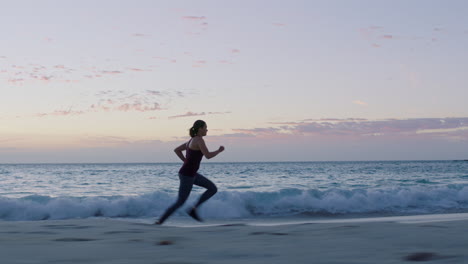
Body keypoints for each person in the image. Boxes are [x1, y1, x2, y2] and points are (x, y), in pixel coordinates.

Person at [155, 120, 225, 224]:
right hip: (187, 175)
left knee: (212, 188)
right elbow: (208, 156)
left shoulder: (191, 140)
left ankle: (193, 209)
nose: (207, 130)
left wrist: (185, 161)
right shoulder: (199, 140)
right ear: (200, 128)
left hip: (190, 173)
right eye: (205, 128)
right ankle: (160, 221)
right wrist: (218, 151)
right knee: (180, 201)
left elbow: (177, 150)